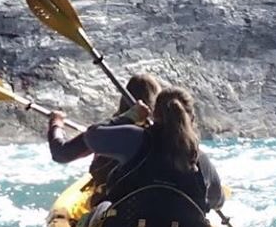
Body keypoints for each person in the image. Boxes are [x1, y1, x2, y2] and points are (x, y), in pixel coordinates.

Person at [48, 85, 224, 214]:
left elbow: (92, 135)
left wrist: (130, 116)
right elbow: (217, 201)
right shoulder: (201, 159)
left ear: (154, 115)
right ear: (191, 119)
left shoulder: (135, 138)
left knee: (100, 208)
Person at [47, 73, 162, 187]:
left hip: (114, 195)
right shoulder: (167, 131)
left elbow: (60, 153)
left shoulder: (107, 132)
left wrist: (56, 123)